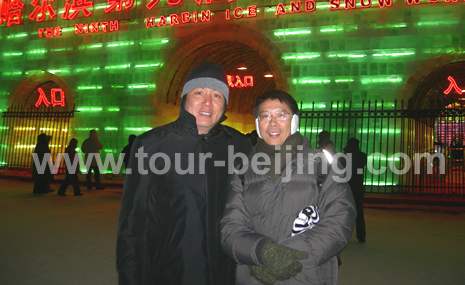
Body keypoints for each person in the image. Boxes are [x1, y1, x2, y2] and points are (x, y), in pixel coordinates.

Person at [116, 61, 253, 285]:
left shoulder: (239, 145)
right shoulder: (151, 145)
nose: (207, 102)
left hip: (225, 271)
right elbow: (132, 223)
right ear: (185, 97)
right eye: (199, 92)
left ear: (225, 103)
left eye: (217, 95)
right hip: (171, 271)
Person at [221, 90, 356, 285]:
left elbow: (340, 220)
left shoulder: (323, 165)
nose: (273, 122)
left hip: (307, 275)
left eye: (281, 115)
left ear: (294, 121)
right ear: (258, 124)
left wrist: (287, 257)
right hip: (255, 275)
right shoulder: (242, 169)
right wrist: (263, 252)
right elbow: (230, 228)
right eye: (265, 116)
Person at [342, 138, 367, 244]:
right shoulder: (362, 156)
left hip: (346, 187)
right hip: (358, 188)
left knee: (343, 212)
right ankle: (361, 235)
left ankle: (343, 235)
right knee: (359, 213)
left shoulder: (343, 156)